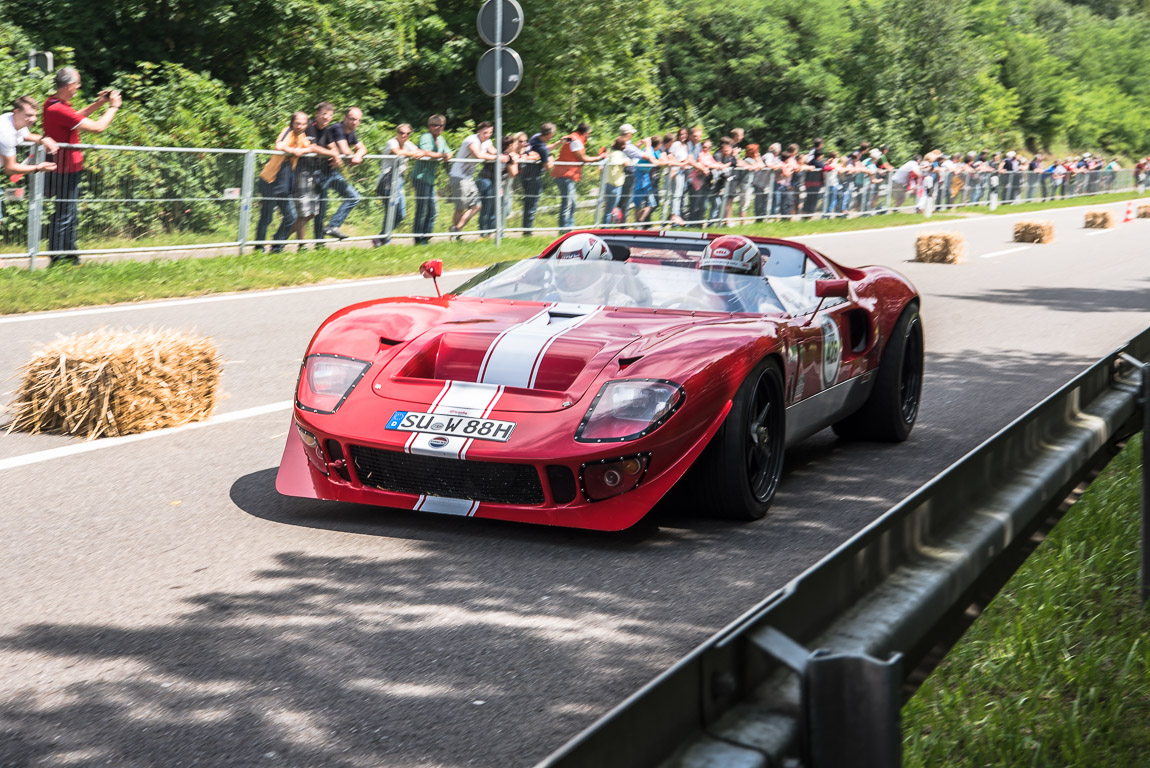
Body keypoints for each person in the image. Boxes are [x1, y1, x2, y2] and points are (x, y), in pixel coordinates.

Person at [42, 67, 121, 264]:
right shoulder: (58, 108)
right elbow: (97, 127)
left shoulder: (52, 103)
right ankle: (58, 259)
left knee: (68, 214)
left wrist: (99, 103)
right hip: (65, 168)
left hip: (64, 167)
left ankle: (70, 257)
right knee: (65, 214)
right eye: (77, 84)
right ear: (69, 86)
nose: (79, 87)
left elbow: (75, 118)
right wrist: (113, 107)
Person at [255, 111, 309, 253]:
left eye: (303, 123)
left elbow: (309, 147)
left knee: (291, 216)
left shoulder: (302, 136)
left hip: (284, 184)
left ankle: (277, 245)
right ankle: (258, 247)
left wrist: (302, 151)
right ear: (292, 123)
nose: (300, 126)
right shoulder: (287, 131)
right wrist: (293, 150)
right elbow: (279, 145)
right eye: (297, 123)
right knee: (266, 217)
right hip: (270, 181)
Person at [0, 96, 58, 227]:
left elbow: (27, 136)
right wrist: (38, 168)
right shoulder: (5, 131)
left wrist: (44, 138)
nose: (33, 119)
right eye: (29, 115)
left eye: (34, 115)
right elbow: (10, 168)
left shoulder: (13, 120)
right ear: (16, 111)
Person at [293, 103, 339, 247]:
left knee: (312, 213)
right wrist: (332, 153)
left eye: (329, 115)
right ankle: (299, 244)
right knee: (304, 212)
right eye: (323, 114)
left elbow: (333, 147)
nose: (326, 117)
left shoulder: (326, 131)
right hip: (302, 172)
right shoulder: (309, 126)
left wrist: (335, 154)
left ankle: (281, 237)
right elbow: (312, 147)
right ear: (317, 114)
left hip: (316, 174)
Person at [318, 106, 367, 240]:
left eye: (357, 120)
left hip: (332, 172)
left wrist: (358, 155)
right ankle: (318, 242)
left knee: (353, 197)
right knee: (321, 208)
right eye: (352, 119)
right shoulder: (337, 128)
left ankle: (332, 226)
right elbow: (345, 150)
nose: (354, 122)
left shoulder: (351, 132)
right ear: (345, 118)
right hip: (320, 171)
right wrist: (353, 155)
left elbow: (362, 148)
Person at [373, 123, 422, 246]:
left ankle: (382, 236)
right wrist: (412, 154)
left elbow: (419, 151)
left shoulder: (408, 144)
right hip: (387, 180)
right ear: (397, 133)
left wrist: (420, 153)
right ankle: (385, 239)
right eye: (401, 132)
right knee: (391, 210)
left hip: (399, 180)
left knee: (401, 213)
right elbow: (397, 152)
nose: (404, 135)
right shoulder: (392, 142)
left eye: (407, 133)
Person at [551, 122, 602, 233]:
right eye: (589, 133)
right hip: (564, 174)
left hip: (567, 174)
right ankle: (564, 231)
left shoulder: (574, 138)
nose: (589, 136)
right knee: (568, 204)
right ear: (585, 133)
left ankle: (569, 229)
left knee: (572, 203)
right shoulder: (576, 141)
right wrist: (598, 158)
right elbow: (582, 158)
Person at [449, 121, 496, 237]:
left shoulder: (487, 142)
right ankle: (456, 234)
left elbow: (495, 151)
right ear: (479, 131)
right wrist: (498, 157)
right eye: (485, 132)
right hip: (458, 176)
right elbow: (479, 155)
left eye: (490, 132)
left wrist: (507, 155)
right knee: (460, 208)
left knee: (477, 206)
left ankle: (456, 229)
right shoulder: (471, 140)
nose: (488, 135)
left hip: (468, 178)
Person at [411, 115, 451, 245]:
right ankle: (418, 238)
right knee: (422, 209)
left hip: (430, 179)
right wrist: (442, 155)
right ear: (429, 126)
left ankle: (426, 236)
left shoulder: (441, 139)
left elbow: (449, 153)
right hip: (421, 178)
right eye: (434, 125)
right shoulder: (426, 137)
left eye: (440, 125)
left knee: (433, 210)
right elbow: (427, 152)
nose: (437, 127)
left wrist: (447, 154)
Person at [521, 122, 558, 236]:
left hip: (525, 175)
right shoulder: (541, 148)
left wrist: (558, 144)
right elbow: (547, 167)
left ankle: (526, 229)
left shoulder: (535, 137)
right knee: (531, 204)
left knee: (529, 203)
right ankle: (527, 231)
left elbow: (544, 148)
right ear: (551, 134)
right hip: (533, 177)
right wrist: (551, 158)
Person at [477, 133, 518, 234]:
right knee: (487, 207)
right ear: (511, 145)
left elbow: (513, 173)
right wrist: (513, 160)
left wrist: (514, 159)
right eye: (515, 144)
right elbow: (513, 173)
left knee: (494, 208)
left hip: (495, 183)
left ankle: (490, 233)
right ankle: (484, 234)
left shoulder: (506, 155)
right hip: (485, 180)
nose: (517, 146)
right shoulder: (502, 155)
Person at [601, 137, 627, 224]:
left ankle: (605, 227)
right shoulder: (618, 154)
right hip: (614, 185)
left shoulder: (613, 153)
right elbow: (615, 161)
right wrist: (623, 162)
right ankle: (605, 229)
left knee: (608, 209)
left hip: (608, 183)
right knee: (609, 209)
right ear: (622, 145)